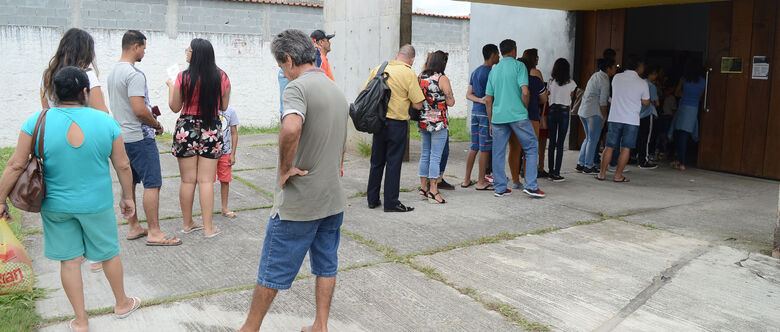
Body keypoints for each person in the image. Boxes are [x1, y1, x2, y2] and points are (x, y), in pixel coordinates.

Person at [0, 67, 140, 332]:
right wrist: (127, 197)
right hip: (96, 205)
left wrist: (0, 199)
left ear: (54, 92)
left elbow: (16, 164)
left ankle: (80, 320)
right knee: (109, 254)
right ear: (85, 92)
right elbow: (123, 165)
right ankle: (122, 304)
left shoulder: (36, 121)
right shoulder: (106, 122)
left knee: (70, 261)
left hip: (55, 205)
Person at [238, 29, 348, 332]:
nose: (282, 72)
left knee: (272, 269)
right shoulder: (336, 90)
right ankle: (320, 325)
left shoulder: (296, 88)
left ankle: (250, 328)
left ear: (288, 59)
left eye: (281, 66)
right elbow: (341, 145)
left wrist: (285, 168)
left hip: (301, 202)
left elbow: (290, 128)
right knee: (326, 264)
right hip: (332, 198)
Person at [107, 30, 181, 246]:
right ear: (135, 47)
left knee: (128, 183)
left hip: (121, 137)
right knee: (152, 183)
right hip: (139, 138)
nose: (144, 52)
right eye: (144, 48)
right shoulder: (134, 74)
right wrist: (156, 124)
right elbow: (139, 110)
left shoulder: (113, 73)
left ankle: (134, 227)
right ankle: (154, 232)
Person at [166, 38, 231, 238]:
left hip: (187, 128)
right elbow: (224, 106)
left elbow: (175, 107)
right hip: (211, 127)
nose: (186, 52)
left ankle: (187, 224)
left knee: (187, 181)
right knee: (206, 181)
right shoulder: (222, 77)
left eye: (189, 50)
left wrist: (171, 86)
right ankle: (208, 228)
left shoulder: (182, 77)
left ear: (196, 54)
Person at [364, 45, 425, 212]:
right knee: (393, 163)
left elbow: (366, 92)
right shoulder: (408, 73)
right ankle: (391, 202)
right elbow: (418, 104)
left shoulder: (379, 68)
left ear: (397, 55)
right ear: (412, 59)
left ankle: (372, 199)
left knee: (376, 162)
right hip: (397, 124)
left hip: (378, 122)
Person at [485, 39, 545, 198]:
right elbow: (525, 92)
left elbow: (488, 100)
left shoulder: (494, 71)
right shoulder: (519, 66)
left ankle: (500, 188)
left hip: (498, 117)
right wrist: (524, 108)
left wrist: (490, 121)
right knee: (531, 147)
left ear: (501, 52)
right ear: (514, 50)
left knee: (498, 152)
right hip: (518, 115)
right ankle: (531, 186)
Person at [597, 55, 650, 182]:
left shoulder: (617, 77)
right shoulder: (642, 83)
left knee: (609, 146)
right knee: (626, 148)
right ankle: (618, 176)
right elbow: (646, 102)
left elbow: (616, 93)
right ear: (638, 67)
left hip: (615, 117)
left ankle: (602, 174)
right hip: (631, 120)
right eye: (643, 66)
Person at [40, 28, 109, 114]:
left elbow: (46, 112)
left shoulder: (47, 76)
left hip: (57, 122)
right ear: (87, 53)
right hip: (82, 122)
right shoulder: (87, 76)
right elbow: (103, 114)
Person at [417, 51, 454, 204]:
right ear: (442, 63)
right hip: (439, 122)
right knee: (435, 157)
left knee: (425, 154)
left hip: (424, 121)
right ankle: (433, 191)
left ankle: (423, 189)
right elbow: (451, 102)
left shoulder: (421, 77)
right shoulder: (442, 79)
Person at [507, 56, 548, 189]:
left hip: (514, 119)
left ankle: (515, 181)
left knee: (514, 150)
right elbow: (544, 99)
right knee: (530, 152)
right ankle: (528, 181)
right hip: (532, 119)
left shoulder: (512, 81)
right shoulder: (536, 81)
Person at [463, 44, 499, 190]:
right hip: (485, 114)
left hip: (475, 113)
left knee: (474, 146)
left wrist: (479, 100)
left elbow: (468, 95)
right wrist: (491, 122)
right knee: (485, 148)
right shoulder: (491, 73)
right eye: (497, 54)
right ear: (493, 55)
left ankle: (466, 180)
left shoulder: (476, 72)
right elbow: (489, 100)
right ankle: (481, 181)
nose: (499, 57)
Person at [576, 58, 616, 174]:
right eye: (614, 67)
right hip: (594, 112)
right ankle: (588, 166)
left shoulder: (596, 75)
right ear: (608, 69)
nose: (615, 69)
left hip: (584, 111)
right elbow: (603, 101)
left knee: (588, 138)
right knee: (593, 140)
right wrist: (604, 116)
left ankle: (581, 164)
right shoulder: (605, 79)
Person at [669, 60, 705, 171]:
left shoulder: (684, 79)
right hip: (694, 109)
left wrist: (685, 95)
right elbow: (701, 97)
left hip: (683, 107)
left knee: (680, 135)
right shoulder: (703, 81)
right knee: (685, 134)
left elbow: (676, 93)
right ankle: (680, 161)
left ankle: (681, 162)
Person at [546, 58, 577, 182]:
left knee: (551, 143)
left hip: (552, 111)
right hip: (564, 111)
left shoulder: (551, 82)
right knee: (560, 143)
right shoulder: (572, 83)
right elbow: (571, 98)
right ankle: (557, 173)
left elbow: (548, 96)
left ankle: (550, 172)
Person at [217, 106, 239, 218]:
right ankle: (206, 210)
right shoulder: (208, 108)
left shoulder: (231, 111)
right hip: (210, 153)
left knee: (225, 180)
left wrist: (232, 154)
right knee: (207, 181)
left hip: (225, 153)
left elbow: (234, 133)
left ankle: (225, 208)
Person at [637, 64, 660, 169]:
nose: (655, 76)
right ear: (650, 74)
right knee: (646, 138)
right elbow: (656, 102)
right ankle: (644, 160)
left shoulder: (640, 83)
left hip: (638, 113)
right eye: (654, 74)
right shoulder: (651, 86)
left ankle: (637, 156)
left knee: (639, 136)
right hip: (648, 113)